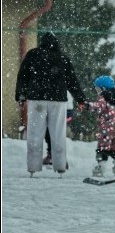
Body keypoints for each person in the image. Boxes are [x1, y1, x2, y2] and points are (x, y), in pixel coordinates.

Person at [14, 32, 87, 176]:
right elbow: (72, 81)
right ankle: (60, 166)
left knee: (35, 134)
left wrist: (21, 96)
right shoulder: (62, 58)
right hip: (58, 101)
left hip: (37, 99)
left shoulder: (32, 55)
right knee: (58, 133)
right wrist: (80, 99)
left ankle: (33, 167)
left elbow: (22, 76)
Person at [80, 75, 115, 177]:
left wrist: (87, 105)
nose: (97, 92)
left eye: (98, 89)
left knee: (103, 148)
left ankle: (101, 167)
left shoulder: (104, 97)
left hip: (107, 130)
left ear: (103, 88)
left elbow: (98, 106)